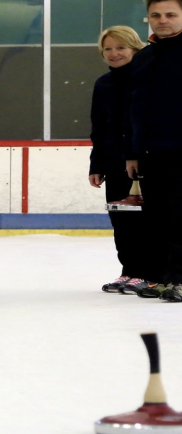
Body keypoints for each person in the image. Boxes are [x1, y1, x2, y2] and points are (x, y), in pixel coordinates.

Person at [125, 0, 182, 301]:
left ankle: (179, 279)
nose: (163, 20)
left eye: (171, 15)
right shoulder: (145, 57)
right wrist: (133, 152)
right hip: (151, 152)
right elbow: (136, 108)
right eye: (156, 15)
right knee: (158, 217)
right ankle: (162, 278)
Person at [89, 26, 152, 295]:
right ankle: (129, 271)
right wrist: (97, 164)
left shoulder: (146, 79)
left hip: (144, 162)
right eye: (108, 49)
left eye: (121, 47)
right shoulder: (103, 84)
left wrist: (136, 153)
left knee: (147, 220)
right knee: (122, 221)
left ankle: (148, 273)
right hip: (114, 165)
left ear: (135, 48)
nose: (114, 53)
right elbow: (99, 128)